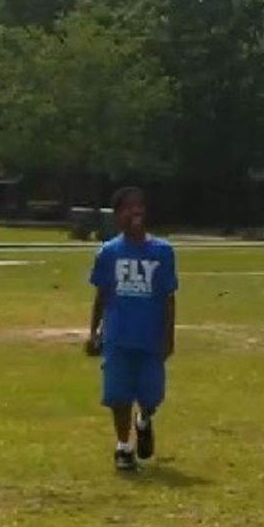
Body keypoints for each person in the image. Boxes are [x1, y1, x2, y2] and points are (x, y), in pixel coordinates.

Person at [85, 186, 178, 473]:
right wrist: (94, 332)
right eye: (128, 207)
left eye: (139, 206)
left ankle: (144, 420)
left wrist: (168, 337)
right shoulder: (109, 252)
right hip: (118, 337)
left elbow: (168, 297)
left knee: (151, 397)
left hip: (150, 338)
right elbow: (101, 295)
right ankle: (123, 447)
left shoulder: (162, 252)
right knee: (118, 396)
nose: (135, 211)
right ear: (117, 215)